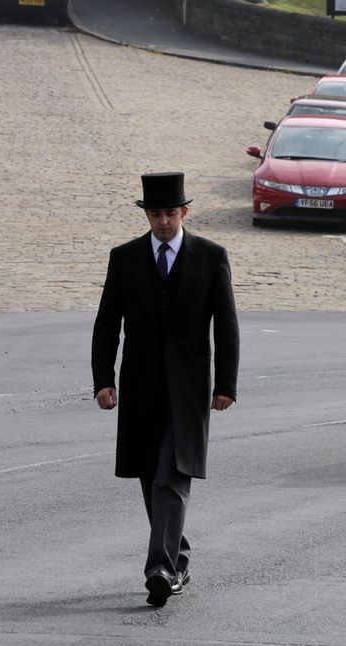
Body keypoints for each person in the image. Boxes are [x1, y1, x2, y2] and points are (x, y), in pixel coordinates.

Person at [92, 172, 239, 608]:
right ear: (147, 214)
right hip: (139, 387)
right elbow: (107, 324)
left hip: (190, 389)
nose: (162, 221)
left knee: (171, 474)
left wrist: (226, 383)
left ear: (184, 213)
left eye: (169, 213)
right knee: (147, 474)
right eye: (155, 213)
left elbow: (226, 325)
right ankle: (178, 554)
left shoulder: (212, 257)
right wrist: (104, 379)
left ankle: (160, 568)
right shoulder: (124, 258)